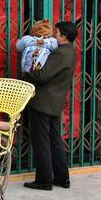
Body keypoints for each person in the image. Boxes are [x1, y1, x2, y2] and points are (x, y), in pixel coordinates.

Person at [22, 21, 78, 191]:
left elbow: (42, 76)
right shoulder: (72, 52)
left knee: (42, 142)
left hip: (43, 102)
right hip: (55, 102)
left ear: (64, 35)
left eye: (56, 32)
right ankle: (62, 178)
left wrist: (28, 73)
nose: (54, 34)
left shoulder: (60, 53)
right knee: (54, 140)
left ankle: (44, 180)